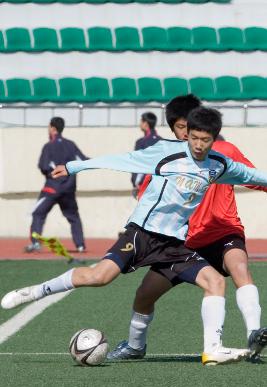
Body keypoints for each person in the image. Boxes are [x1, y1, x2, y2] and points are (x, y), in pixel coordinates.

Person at [3, 106, 267, 365]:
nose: (198, 145)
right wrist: (75, 167)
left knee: (215, 282)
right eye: (194, 137)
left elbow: (252, 175)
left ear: (214, 138)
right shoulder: (167, 152)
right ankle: (36, 291)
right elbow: (123, 160)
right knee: (99, 277)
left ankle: (213, 349)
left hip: (174, 244)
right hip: (142, 233)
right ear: (188, 134)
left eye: (205, 140)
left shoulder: (219, 165)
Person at [107, 97, 267, 364]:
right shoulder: (167, 158)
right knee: (145, 294)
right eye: (179, 128)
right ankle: (135, 346)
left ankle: (254, 334)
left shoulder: (225, 150)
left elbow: (255, 178)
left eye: (187, 127)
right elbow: (147, 199)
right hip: (182, 243)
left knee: (240, 268)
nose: (185, 134)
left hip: (222, 232)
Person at [24, 117, 88, 253]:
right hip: (69, 189)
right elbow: (83, 161)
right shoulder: (71, 144)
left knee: (38, 213)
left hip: (51, 188)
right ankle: (80, 246)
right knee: (73, 217)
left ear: (53, 129)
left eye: (49, 127)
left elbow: (43, 166)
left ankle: (36, 243)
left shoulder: (49, 146)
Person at [131, 112, 162, 198]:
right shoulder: (160, 141)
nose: (140, 124)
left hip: (148, 185)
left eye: (141, 121)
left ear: (145, 123)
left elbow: (142, 164)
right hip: (148, 185)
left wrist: (137, 182)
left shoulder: (147, 142)